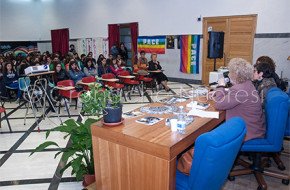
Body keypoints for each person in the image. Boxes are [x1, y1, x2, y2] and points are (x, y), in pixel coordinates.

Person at [177, 58, 265, 175]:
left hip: (248, 133)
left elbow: (219, 104)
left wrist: (220, 87)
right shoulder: (247, 85)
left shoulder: (239, 89)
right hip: (255, 128)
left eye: (230, 72)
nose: (228, 74)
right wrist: (224, 91)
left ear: (235, 75)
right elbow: (236, 94)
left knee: (205, 133)